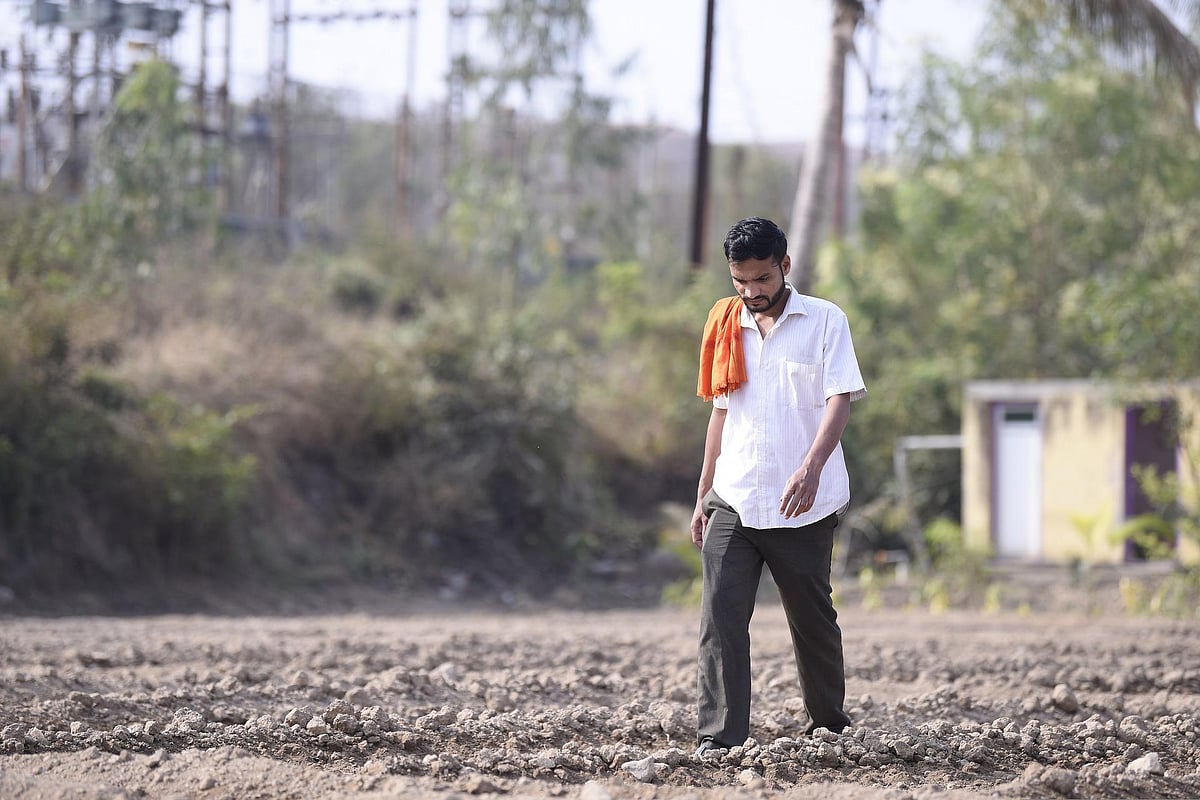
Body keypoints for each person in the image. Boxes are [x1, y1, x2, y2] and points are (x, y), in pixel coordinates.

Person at [690, 216, 866, 757]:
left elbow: (840, 398)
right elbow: (721, 413)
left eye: (762, 280)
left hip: (801, 504)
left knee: (811, 618)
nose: (751, 293)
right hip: (736, 496)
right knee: (720, 617)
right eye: (740, 281)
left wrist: (812, 467)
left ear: (785, 267)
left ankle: (829, 727)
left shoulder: (824, 322)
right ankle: (721, 738)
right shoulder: (727, 325)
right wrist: (702, 494)